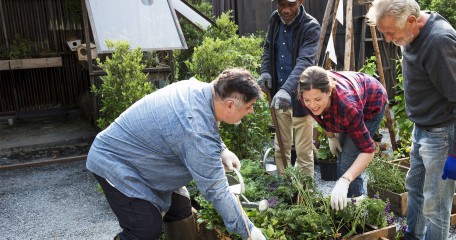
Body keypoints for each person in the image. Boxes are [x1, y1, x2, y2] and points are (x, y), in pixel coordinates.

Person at [86, 68, 266, 240]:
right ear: (229, 105)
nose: (251, 111)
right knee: (145, 228)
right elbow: (216, 190)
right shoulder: (196, 130)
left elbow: (203, 125)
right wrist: (249, 231)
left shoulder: (198, 91)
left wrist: (222, 149)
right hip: (115, 159)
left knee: (180, 208)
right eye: (249, 106)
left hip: (145, 158)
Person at [367, 0, 456, 239]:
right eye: (383, 33)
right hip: (422, 129)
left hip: (441, 135)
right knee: (414, 189)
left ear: (410, 21)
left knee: (435, 206)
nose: (387, 40)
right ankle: (412, 236)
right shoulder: (409, 30)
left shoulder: (438, 43)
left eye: (390, 33)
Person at [297, 66, 388, 211]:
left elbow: (368, 151)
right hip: (354, 98)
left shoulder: (347, 107)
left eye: (317, 99)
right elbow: (321, 118)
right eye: (307, 100)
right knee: (342, 157)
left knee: (347, 163)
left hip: (372, 101)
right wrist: (331, 137)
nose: (312, 105)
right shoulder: (307, 96)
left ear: (329, 91)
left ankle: (355, 207)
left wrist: (345, 180)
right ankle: (345, 205)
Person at [256, 0, 320, 177]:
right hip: (278, 96)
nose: (285, 10)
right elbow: (268, 47)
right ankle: (284, 191)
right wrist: (265, 71)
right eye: (281, 4)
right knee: (280, 148)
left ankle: (305, 194)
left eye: (290, 5)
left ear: (300, 1)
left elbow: (305, 63)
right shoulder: (275, 20)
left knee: (303, 152)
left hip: (301, 98)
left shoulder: (311, 26)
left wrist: (287, 89)